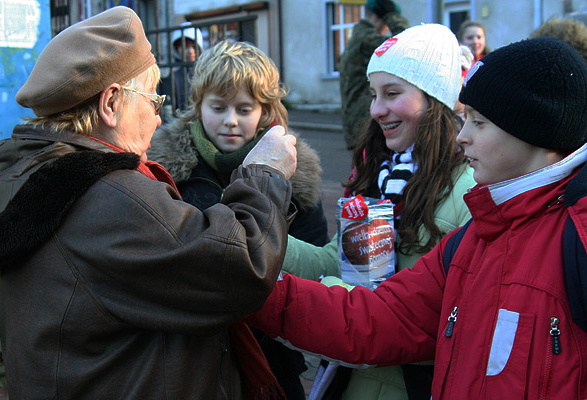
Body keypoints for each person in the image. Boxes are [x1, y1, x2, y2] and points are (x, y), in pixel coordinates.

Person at [247, 36, 587, 399]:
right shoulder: (477, 231)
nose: (463, 136)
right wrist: (242, 275)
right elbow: (382, 316)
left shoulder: (570, 237)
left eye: (480, 122)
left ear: (533, 128)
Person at [0, 6, 298, 399]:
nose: (158, 116)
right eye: (153, 98)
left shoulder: (22, 168)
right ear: (112, 104)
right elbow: (239, 268)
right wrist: (265, 174)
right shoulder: (109, 196)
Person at [282, 24, 476, 400]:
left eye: (392, 93)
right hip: (350, 376)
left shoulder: (470, 189)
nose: (376, 109)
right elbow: (334, 262)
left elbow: (441, 321)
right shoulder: (380, 173)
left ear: (434, 98)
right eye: (373, 94)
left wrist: (334, 301)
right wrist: (256, 239)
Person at [147, 39, 329, 399]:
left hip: (271, 354)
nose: (231, 121)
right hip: (186, 358)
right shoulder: (163, 170)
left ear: (265, 111)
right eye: (218, 106)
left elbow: (314, 264)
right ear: (197, 105)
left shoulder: (296, 175)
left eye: (244, 109)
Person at [339, 0, 409, 150]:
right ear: (379, 18)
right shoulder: (367, 40)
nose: (386, 29)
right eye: (386, 24)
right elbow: (407, 44)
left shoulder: (358, 37)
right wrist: (393, 16)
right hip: (367, 124)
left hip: (358, 123)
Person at [170, 22, 204, 112]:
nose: (190, 51)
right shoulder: (173, 76)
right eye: (185, 47)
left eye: (193, 46)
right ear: (177, 49)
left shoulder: (205, 73)